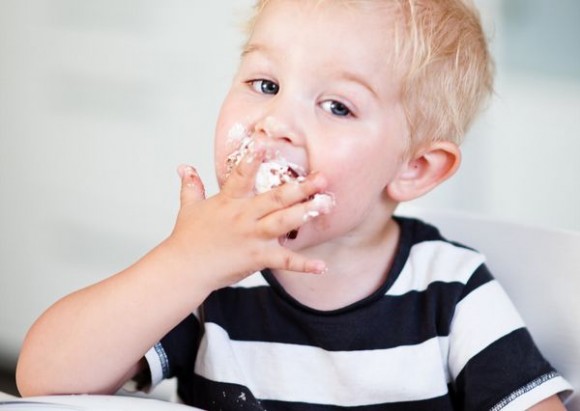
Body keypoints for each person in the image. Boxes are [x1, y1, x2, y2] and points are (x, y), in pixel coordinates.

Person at [16, 0, 572, 410]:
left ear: (413, 167)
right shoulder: (213, 278)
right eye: (263, 83)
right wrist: (184, 263)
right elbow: (44, 379)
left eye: (335, 106)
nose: (274, 121)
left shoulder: (449, 290)